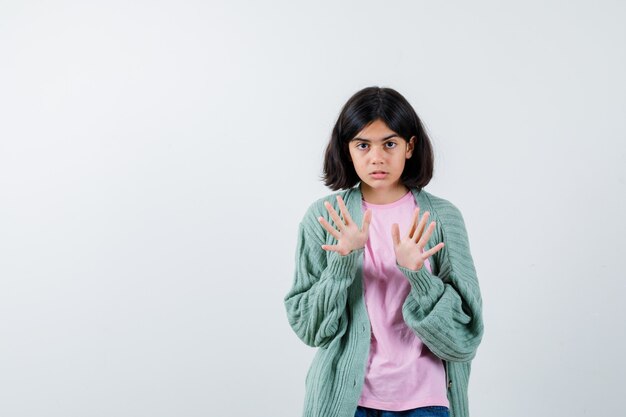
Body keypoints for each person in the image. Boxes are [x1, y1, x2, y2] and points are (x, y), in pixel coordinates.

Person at [283, 86, 484, 417]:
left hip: (427, 401)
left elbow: (466, 335)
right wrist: (341, 266)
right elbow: (310, 327)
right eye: (363, 145)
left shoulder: (443, 219)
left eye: (389, 143)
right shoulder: (324, 219)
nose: (376, 157)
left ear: (410, 146)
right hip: (347, 402)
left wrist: (420, 277)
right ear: (347, 150)